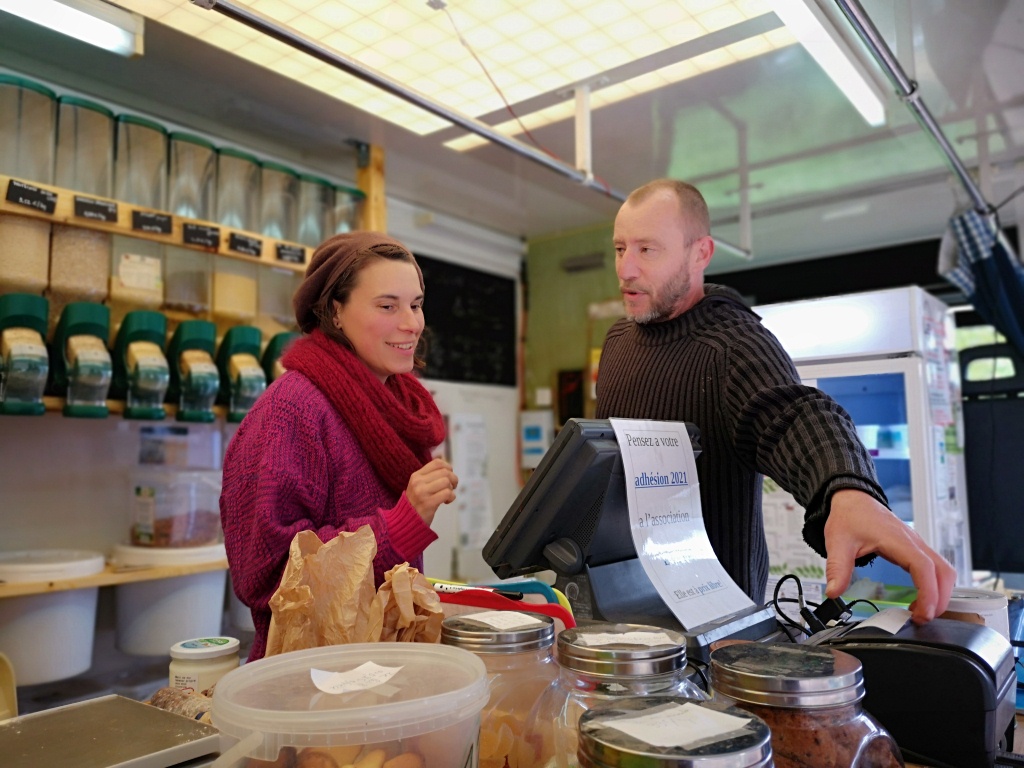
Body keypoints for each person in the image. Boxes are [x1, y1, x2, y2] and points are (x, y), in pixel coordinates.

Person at [595, 178, 955, 624]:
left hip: (714, 628)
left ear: (700, 253)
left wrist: (845, 488)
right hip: (619, 612)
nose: (626, 269)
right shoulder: (616, 343)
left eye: (647, 250)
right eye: (619, 248)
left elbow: (793, 414)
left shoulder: (735, 343)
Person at [220, 231, 458, 660]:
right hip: (310, 681)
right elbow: (266, 576)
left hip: (383, 667)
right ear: (335, 310)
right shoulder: (293, 409)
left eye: (416, 304)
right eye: (388, 306)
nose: (412, 323)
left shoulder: (397, 406)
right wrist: (400, 524)